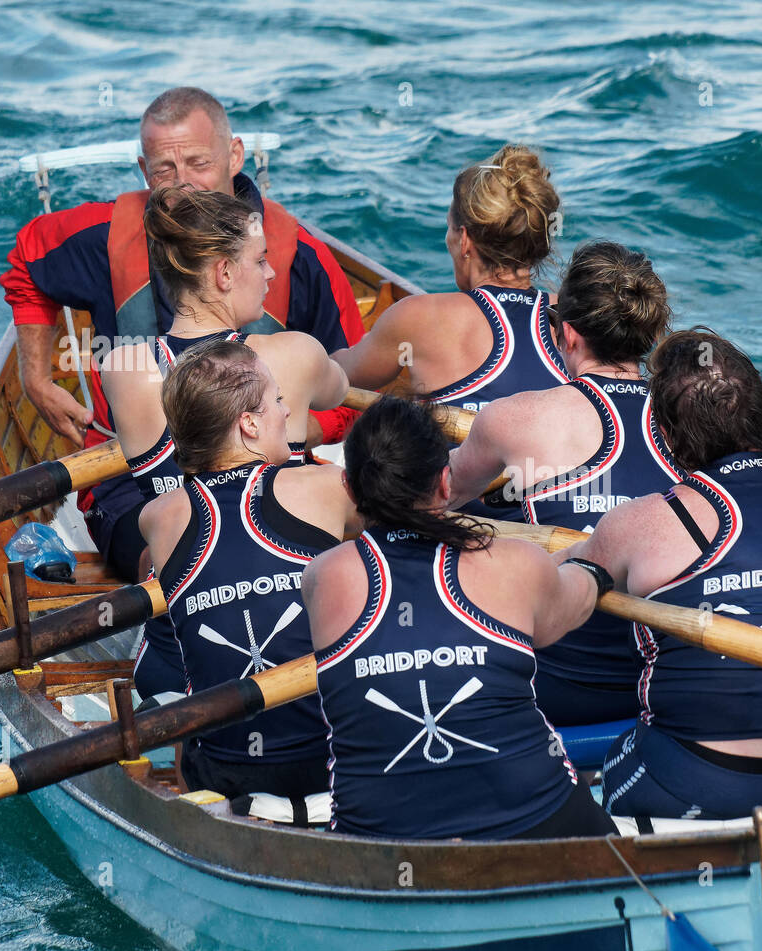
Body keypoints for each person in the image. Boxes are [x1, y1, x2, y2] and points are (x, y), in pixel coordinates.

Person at [0, 86, 365, 578]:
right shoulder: (106, 233)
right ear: (142, 171)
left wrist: (288, 424)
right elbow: (27, 258)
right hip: (135, 482)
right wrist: (36, 380)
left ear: (235, 156)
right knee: (168, 545)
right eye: (164, 171)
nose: (183, 186)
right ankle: (170, 584)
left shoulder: (303, 258)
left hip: (273, 464)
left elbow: (352, 388)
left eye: (198, 163)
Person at [555, 329, 762, 820]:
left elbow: (554, 603)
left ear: (663, 433)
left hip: (703, 782)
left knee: (599, 764)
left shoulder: (637, 521)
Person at [302, 396, 616, 840]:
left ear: (351, 489)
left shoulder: (322, 576)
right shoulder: (516, 563)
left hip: (378, 838)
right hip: (536, 816)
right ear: (446, 483)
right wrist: (589, 566)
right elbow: (575, 602)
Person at [102, 186, 350, 703]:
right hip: (304, 649)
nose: (271, 274)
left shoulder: (121, 371)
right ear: (223, 273)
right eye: (260, 261)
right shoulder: (293, 356)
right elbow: (342, 388)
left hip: (176, 658)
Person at [446, 242, 684, 726]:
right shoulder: (692, 423)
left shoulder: (515, 418)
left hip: (556, 693)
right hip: (665, 683)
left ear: (567, 333)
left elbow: (433, 496)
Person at [138, 339, 354, 801]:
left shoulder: (157, 518)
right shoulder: (329, 488)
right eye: (277, 400)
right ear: (250, 424)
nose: (286, 413)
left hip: (222, 775)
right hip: (335, 765)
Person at [337, 145, 567, 412]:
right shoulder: (578, 318)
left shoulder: (417, 318)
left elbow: (342, 374)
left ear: (465, 240)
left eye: (449, 228)